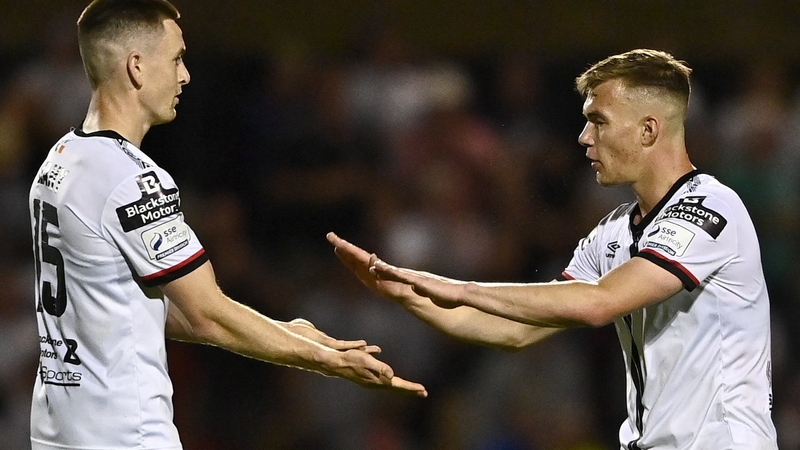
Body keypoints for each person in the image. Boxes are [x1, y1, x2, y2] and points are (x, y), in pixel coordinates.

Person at [328, 49, 779, 449]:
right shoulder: (612, 234)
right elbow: (514, 330)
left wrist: (459, 287)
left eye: (599, 121)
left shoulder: (711, 208)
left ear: (648, 130)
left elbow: (599, 303)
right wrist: (406, 294)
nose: (584, 137)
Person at [28, 1, 426, 449]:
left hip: (57, 434)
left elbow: (120, 307)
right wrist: (323, 358)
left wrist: (286, 331)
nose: (185, 75)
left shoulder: (59, 161)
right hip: (126, 436)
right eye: (176, 58)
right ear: (136, 66)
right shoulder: (132, 180)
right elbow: (207, 315)